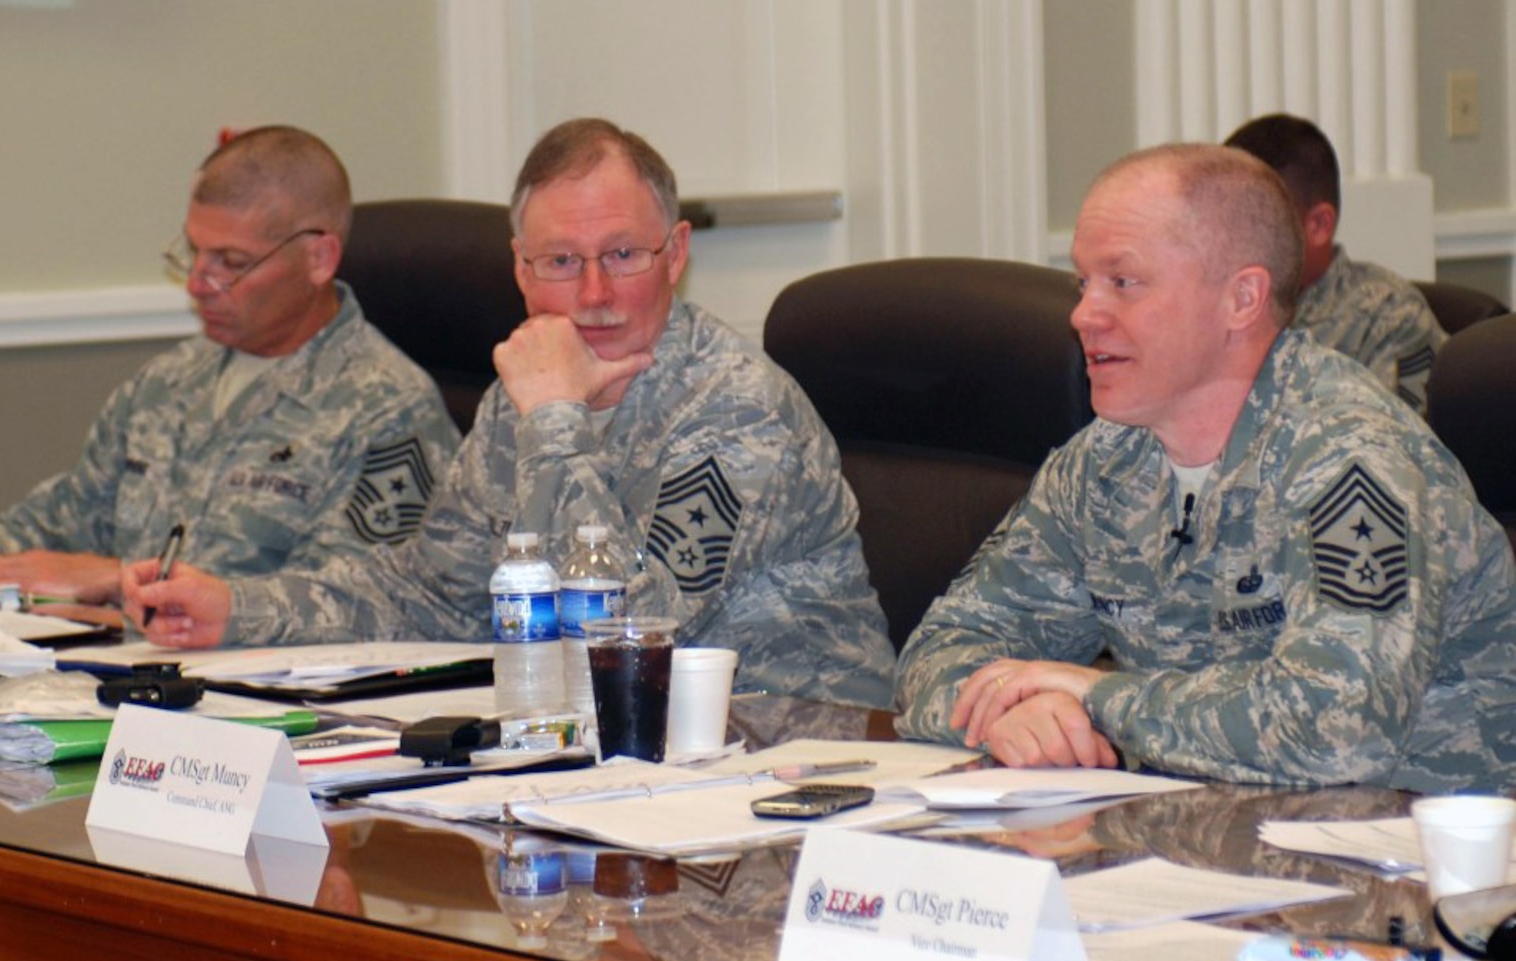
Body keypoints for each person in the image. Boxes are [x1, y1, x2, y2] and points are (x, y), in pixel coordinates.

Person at [124, 118, 895, 709]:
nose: (593, 294)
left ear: (676, 252)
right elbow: (432, 592)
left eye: (624, 255)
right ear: (519, 268)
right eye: (560, 262)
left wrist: (556, 416)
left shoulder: (737, 406)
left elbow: (632, 633)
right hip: (611, 760)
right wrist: (240, 608)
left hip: (788, 762)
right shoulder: (520, 394)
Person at [895, 143, 1516, 793]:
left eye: (1123, 282)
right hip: (1202, 842)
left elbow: (1337, 730)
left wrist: (1099, 700)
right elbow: (937, 652)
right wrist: (1012, 713)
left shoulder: (1349, 463)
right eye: (1083, 283)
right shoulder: (1102, 463)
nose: (1083, 314)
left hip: (1417, 858)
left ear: (1240, 299)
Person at [0, 125, 459, 608]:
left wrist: (126, 584)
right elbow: (62, 523)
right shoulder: (170, 382)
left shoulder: (386, 407)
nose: (197, 283)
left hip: (267, 712)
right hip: (111, 682)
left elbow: (358, 603)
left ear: (318, 257)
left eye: (231, 263)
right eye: (194, 253)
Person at [1225, 113, 1446, 415]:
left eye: (1254, 224)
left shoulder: (1390, 318)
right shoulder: (1215, 307)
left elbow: (1392, 449)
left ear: (1318, 225)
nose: (1230, 240)